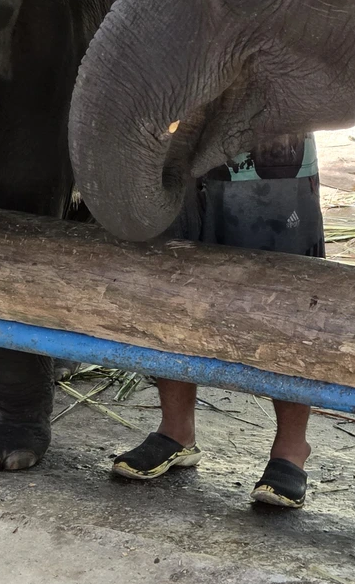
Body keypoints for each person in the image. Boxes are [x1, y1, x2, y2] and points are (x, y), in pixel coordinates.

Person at [110, 133, 324, 508]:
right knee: (172, 289)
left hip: (271, 156)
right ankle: (176, 431)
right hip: (180, 148)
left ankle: (291, 449)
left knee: (284, 303)